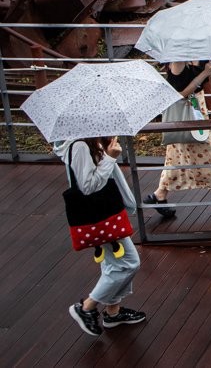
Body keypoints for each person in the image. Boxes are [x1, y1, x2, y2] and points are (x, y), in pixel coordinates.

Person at [55, 136, 146, 337]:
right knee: (129, 263)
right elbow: (88, 187)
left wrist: (106, 152)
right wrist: (109, 158)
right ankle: (86, 307)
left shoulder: (92, 140)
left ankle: (113, 313)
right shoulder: (79, 146)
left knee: (114, 265)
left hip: (107, 213)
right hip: (99, 215)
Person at [143, 60, 211, 217]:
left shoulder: (199, 54)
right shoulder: (178, 63)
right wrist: (204, 74)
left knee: (177, 156)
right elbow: (180, 94)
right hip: (185, 113)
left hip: (197, 110)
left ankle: (160, 195)